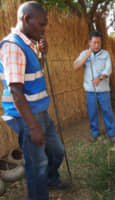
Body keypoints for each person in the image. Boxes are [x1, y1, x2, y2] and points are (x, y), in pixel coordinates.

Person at [0, 2, 68, 200]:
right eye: (41, 24)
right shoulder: (12, 47)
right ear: (27, 19)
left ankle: (51, 180)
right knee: (36, 164)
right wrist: (32, 127)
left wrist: (41, 55)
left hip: (39, 112)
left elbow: (33, 72)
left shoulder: (29, 44)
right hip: (26, 115)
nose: (44, 29)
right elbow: (15, 91)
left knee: (56, 151)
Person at [73, 31, 115, 143]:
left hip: (103, 90)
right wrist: (85, 57)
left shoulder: (105, 54)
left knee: (107, 111)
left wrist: (99, 78)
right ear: (89, 42)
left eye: (99, 42)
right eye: (94, 42)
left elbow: (108, 69)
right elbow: (75, 67)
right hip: (90, 90)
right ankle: (95, 133)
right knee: (92, 112)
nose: (97, 45)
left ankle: (111, 134)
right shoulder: (84, 53)